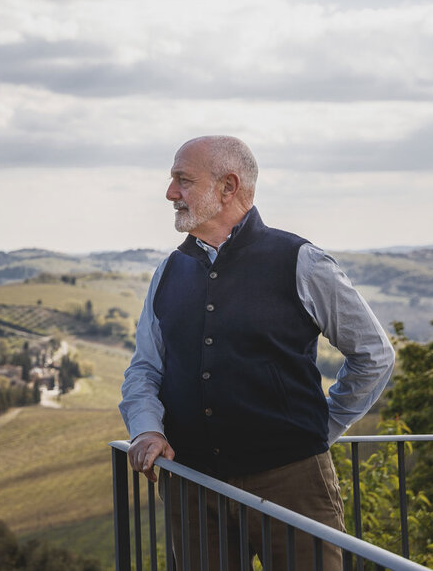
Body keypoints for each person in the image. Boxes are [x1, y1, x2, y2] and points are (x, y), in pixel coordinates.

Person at [118, 135, 395, 569]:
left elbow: (374, 355)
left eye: (183, 180)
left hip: (293, 485)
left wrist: (321, 429)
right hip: (191, 485)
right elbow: (145, 369)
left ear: (228, 187)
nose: (170, 193)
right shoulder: (169, 272)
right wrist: (146, 429)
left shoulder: (300, 260)